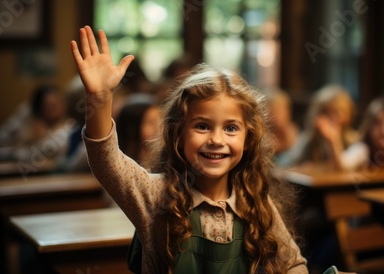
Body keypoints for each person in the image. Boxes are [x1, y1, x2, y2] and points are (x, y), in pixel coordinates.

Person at [71, 26, 348, 274]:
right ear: (178, 134)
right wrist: (99, 98)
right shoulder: (154, 196)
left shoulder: (255, 204)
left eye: (230, 128)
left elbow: (293, 265)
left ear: (248, 138)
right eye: (202, 126)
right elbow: (106, 161)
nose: (217, 139)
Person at [295, 85, 358, 170]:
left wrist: (333, 140)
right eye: (326, 112)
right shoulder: (309, 141)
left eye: (337, 112)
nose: (332, 118)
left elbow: (343, 169)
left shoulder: (354, 142)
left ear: (348, 114)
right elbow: (295, 166)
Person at [339, 98, 384, 171]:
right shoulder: (362, 150)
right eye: (378, 123)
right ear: (368, 127)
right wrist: (333, 139)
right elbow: (342, 166)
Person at [266, 89, 301, 168]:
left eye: (281, 110)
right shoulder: (263, 133)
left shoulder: (292, 130)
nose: (277, 115)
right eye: (273, 111)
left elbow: (296, 157)